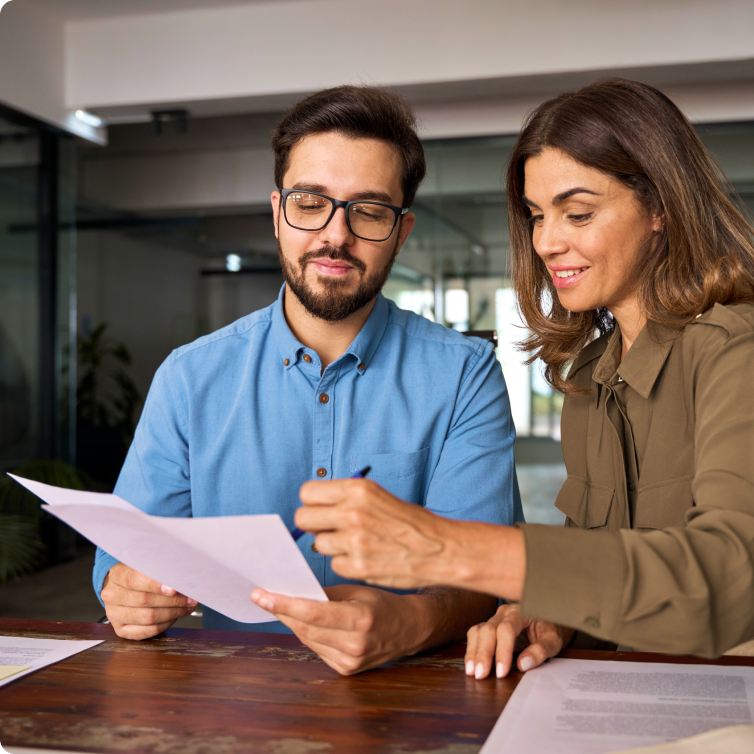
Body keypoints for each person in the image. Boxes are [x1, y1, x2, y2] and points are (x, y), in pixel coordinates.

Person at [292, 78, 754, 679]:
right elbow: (616, 578)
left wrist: (447, 548)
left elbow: (726, 582)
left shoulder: (736, 350)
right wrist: (552, 612)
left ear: (661, 207)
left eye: (578, 212)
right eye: (537, 216)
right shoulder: (589, 379)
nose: (547, 242)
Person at [93, 85, 523, 675]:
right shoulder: (190, 377)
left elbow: (485, 577)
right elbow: (122, 557)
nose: (336, 235)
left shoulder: (463, 375)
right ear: (277, 213)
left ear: (401, 231)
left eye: (369, 210)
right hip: (231, 699)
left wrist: (408, 624)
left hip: (411, 698)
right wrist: (124, 590)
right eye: (310, 201)